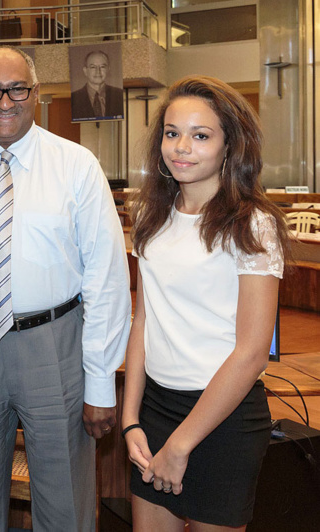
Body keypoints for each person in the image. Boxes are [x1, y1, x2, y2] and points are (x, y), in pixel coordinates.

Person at [0, 46, 131, 531]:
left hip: (53, 346)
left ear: (36, 94)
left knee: (64, 503)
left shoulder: (76, 166)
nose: (5, 100)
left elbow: (106, 278)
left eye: (17, 88)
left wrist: (100, 380)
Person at [122, 76, 291, 531]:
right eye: (172, 132)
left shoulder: (252, 224)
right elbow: (144, 322)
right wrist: (131, 418)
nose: (182, 147)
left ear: (229, 146)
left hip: (223, 421)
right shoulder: (149, 216)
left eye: (201, 136)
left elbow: (252, 352)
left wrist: (180, 446)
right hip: (156, 410)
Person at [70, 50, 124, 120]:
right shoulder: (74, 99)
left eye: (102, 67)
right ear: (85, 71)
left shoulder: (119, 95)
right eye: (93, 67)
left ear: (108, 69)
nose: (98, 71)